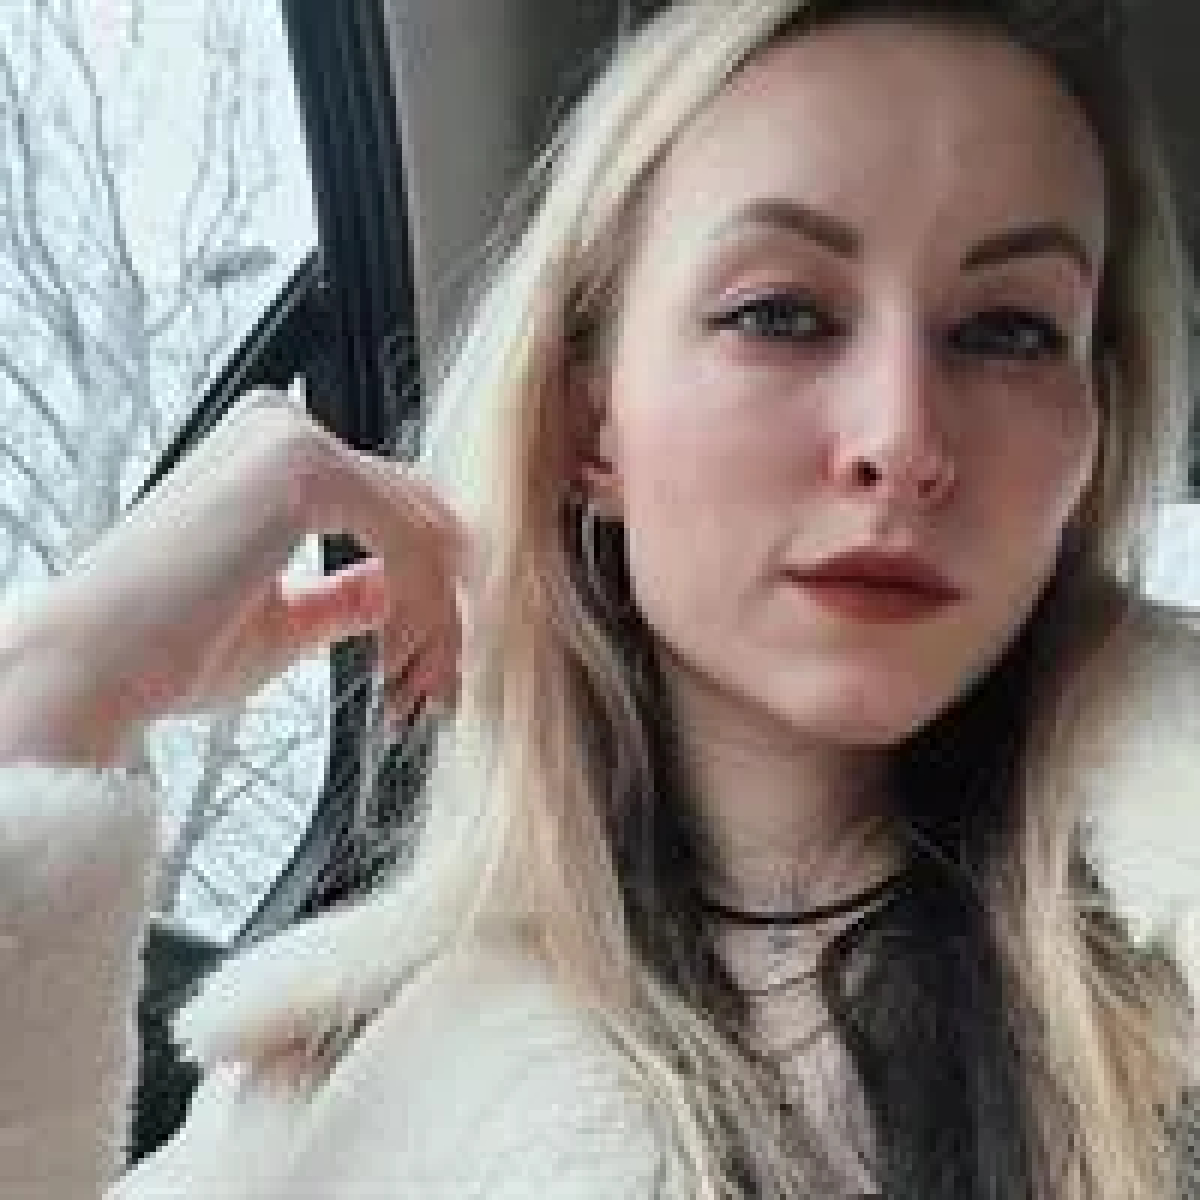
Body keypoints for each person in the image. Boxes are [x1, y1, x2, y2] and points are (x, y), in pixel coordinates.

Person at [0, 0, 1197, 1195]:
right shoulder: (339, 1086)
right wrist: (54, 692)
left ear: (1096, 426)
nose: (901, 439)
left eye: (1010, 332)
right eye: (780, 315)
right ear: (589, 424)